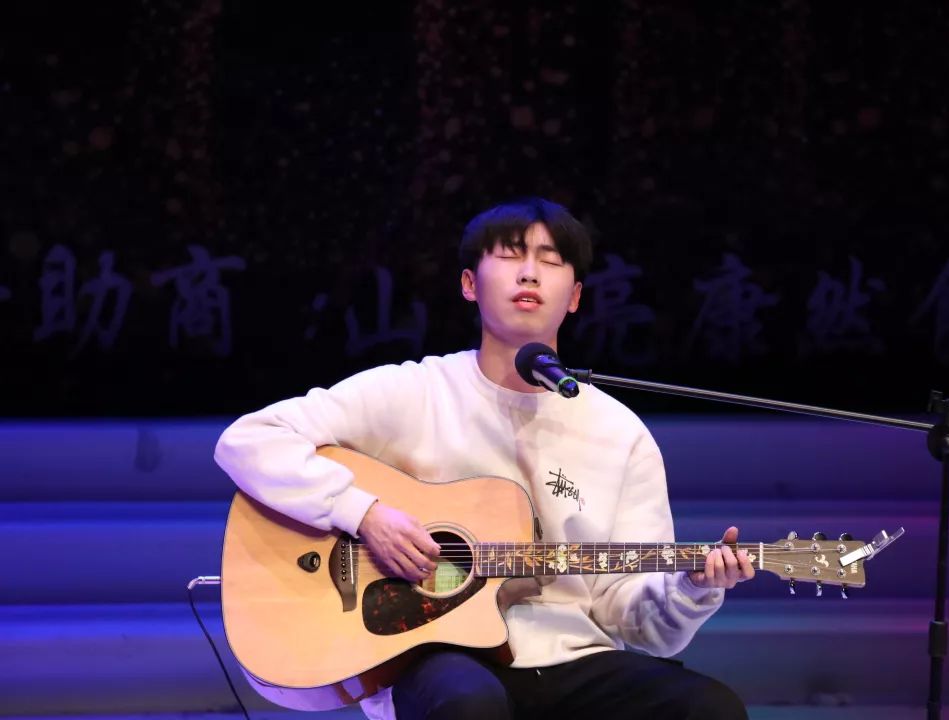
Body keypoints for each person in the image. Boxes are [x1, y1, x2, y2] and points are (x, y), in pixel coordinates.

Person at [215, 198, 753, 720]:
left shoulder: (620, 433)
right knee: (469, 704)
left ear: (575, 297)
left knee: (710, 708)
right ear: (469, 284)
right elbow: (250, 439)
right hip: (437, 655)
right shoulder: (416, 390)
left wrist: (692, 589)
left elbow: (642, 627)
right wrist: (365, 514)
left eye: (550, 260)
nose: (530, 273)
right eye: (511, 255)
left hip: (570, 657)